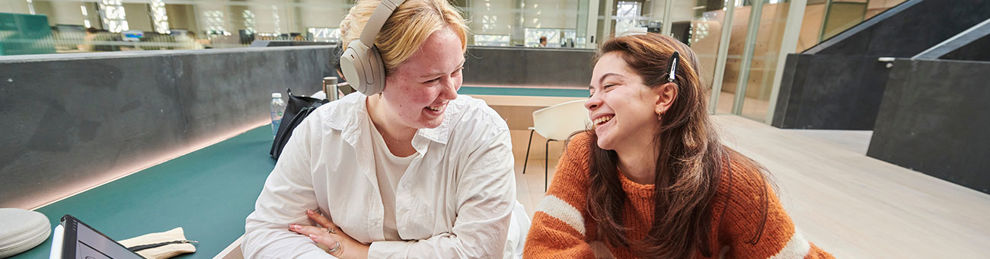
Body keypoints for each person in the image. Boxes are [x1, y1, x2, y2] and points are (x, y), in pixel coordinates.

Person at [242, 0, 518, 258]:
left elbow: (477, 251)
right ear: (369, 75)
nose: (452, 92)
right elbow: (268, 232)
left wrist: (359, 252)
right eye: (431, 79)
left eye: (457, 70)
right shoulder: (322, 131)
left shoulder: (481, 132)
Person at [523, 33, 834, 258]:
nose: (591, 102)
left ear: (664, 97)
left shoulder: (733, 183)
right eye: (591, 90)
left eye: (610, 85)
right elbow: (544, 247)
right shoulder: (584, 154)